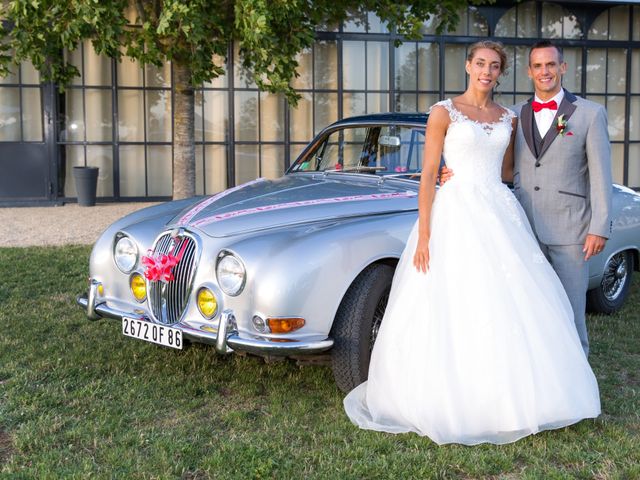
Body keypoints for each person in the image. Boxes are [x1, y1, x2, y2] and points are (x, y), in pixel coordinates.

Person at [343, 41, 601, 445]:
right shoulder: (443, 113)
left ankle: (516, 394)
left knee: (510, 304)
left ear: (500, 73)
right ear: (468, 66)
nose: (486, 70)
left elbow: (509, 171)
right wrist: (425, 231)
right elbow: (428, 175)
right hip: (453, 215)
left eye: (494, 66)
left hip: (500, 214)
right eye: (480, 63)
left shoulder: (508, 118)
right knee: (453, 302)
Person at [441, 40, 612, 357]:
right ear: (529, 71)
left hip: (570, 230)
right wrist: (452, 172)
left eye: (550, 64)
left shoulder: (589, 114)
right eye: (537, 66)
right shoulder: (512, 115)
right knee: (530, 312)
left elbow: (602, 175)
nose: (544, 71)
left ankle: (577, 384)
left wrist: (599, 226)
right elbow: (499, 165)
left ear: (562, 68)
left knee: (571, 311)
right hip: (520, 229)